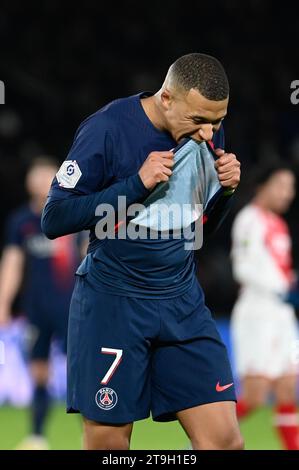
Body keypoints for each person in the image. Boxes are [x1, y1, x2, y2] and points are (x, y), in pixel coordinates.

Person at [41, 53, 243, 450]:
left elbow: (197, 228)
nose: (208, 133)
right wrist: (135, 184)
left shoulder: (206, 131)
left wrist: (226, 194)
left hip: (180, 301)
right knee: (109, 448)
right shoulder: (107, 129)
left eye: (217, 122)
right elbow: (55, 217)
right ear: (167, 98)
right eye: (199, 121)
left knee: (224, 442)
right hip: (113, 304)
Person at [0, 157, 83, 450]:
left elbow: (90, 255)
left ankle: (90, 434)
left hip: (73, 307)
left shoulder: (73, 216)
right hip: (36, 309)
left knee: (80, 372)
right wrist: (3, 302)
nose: (42, 182)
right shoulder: (21, 222)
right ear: (28, 182)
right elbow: (13, 262)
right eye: (37, 177)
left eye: (48, 176)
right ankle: (36, 437)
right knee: (39, 372)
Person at [230, 165, 299, 450]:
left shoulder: (278, 224)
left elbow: (278, 268)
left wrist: (289, 281)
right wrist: (281, 286)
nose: (288, 193)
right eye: (281, 185)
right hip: (258, 312)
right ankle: (202, 442)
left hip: (281, 313)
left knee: (287, 390)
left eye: (291, 187)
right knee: (256, 396)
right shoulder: (249, 220)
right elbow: (242, 268)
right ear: (262, 186)